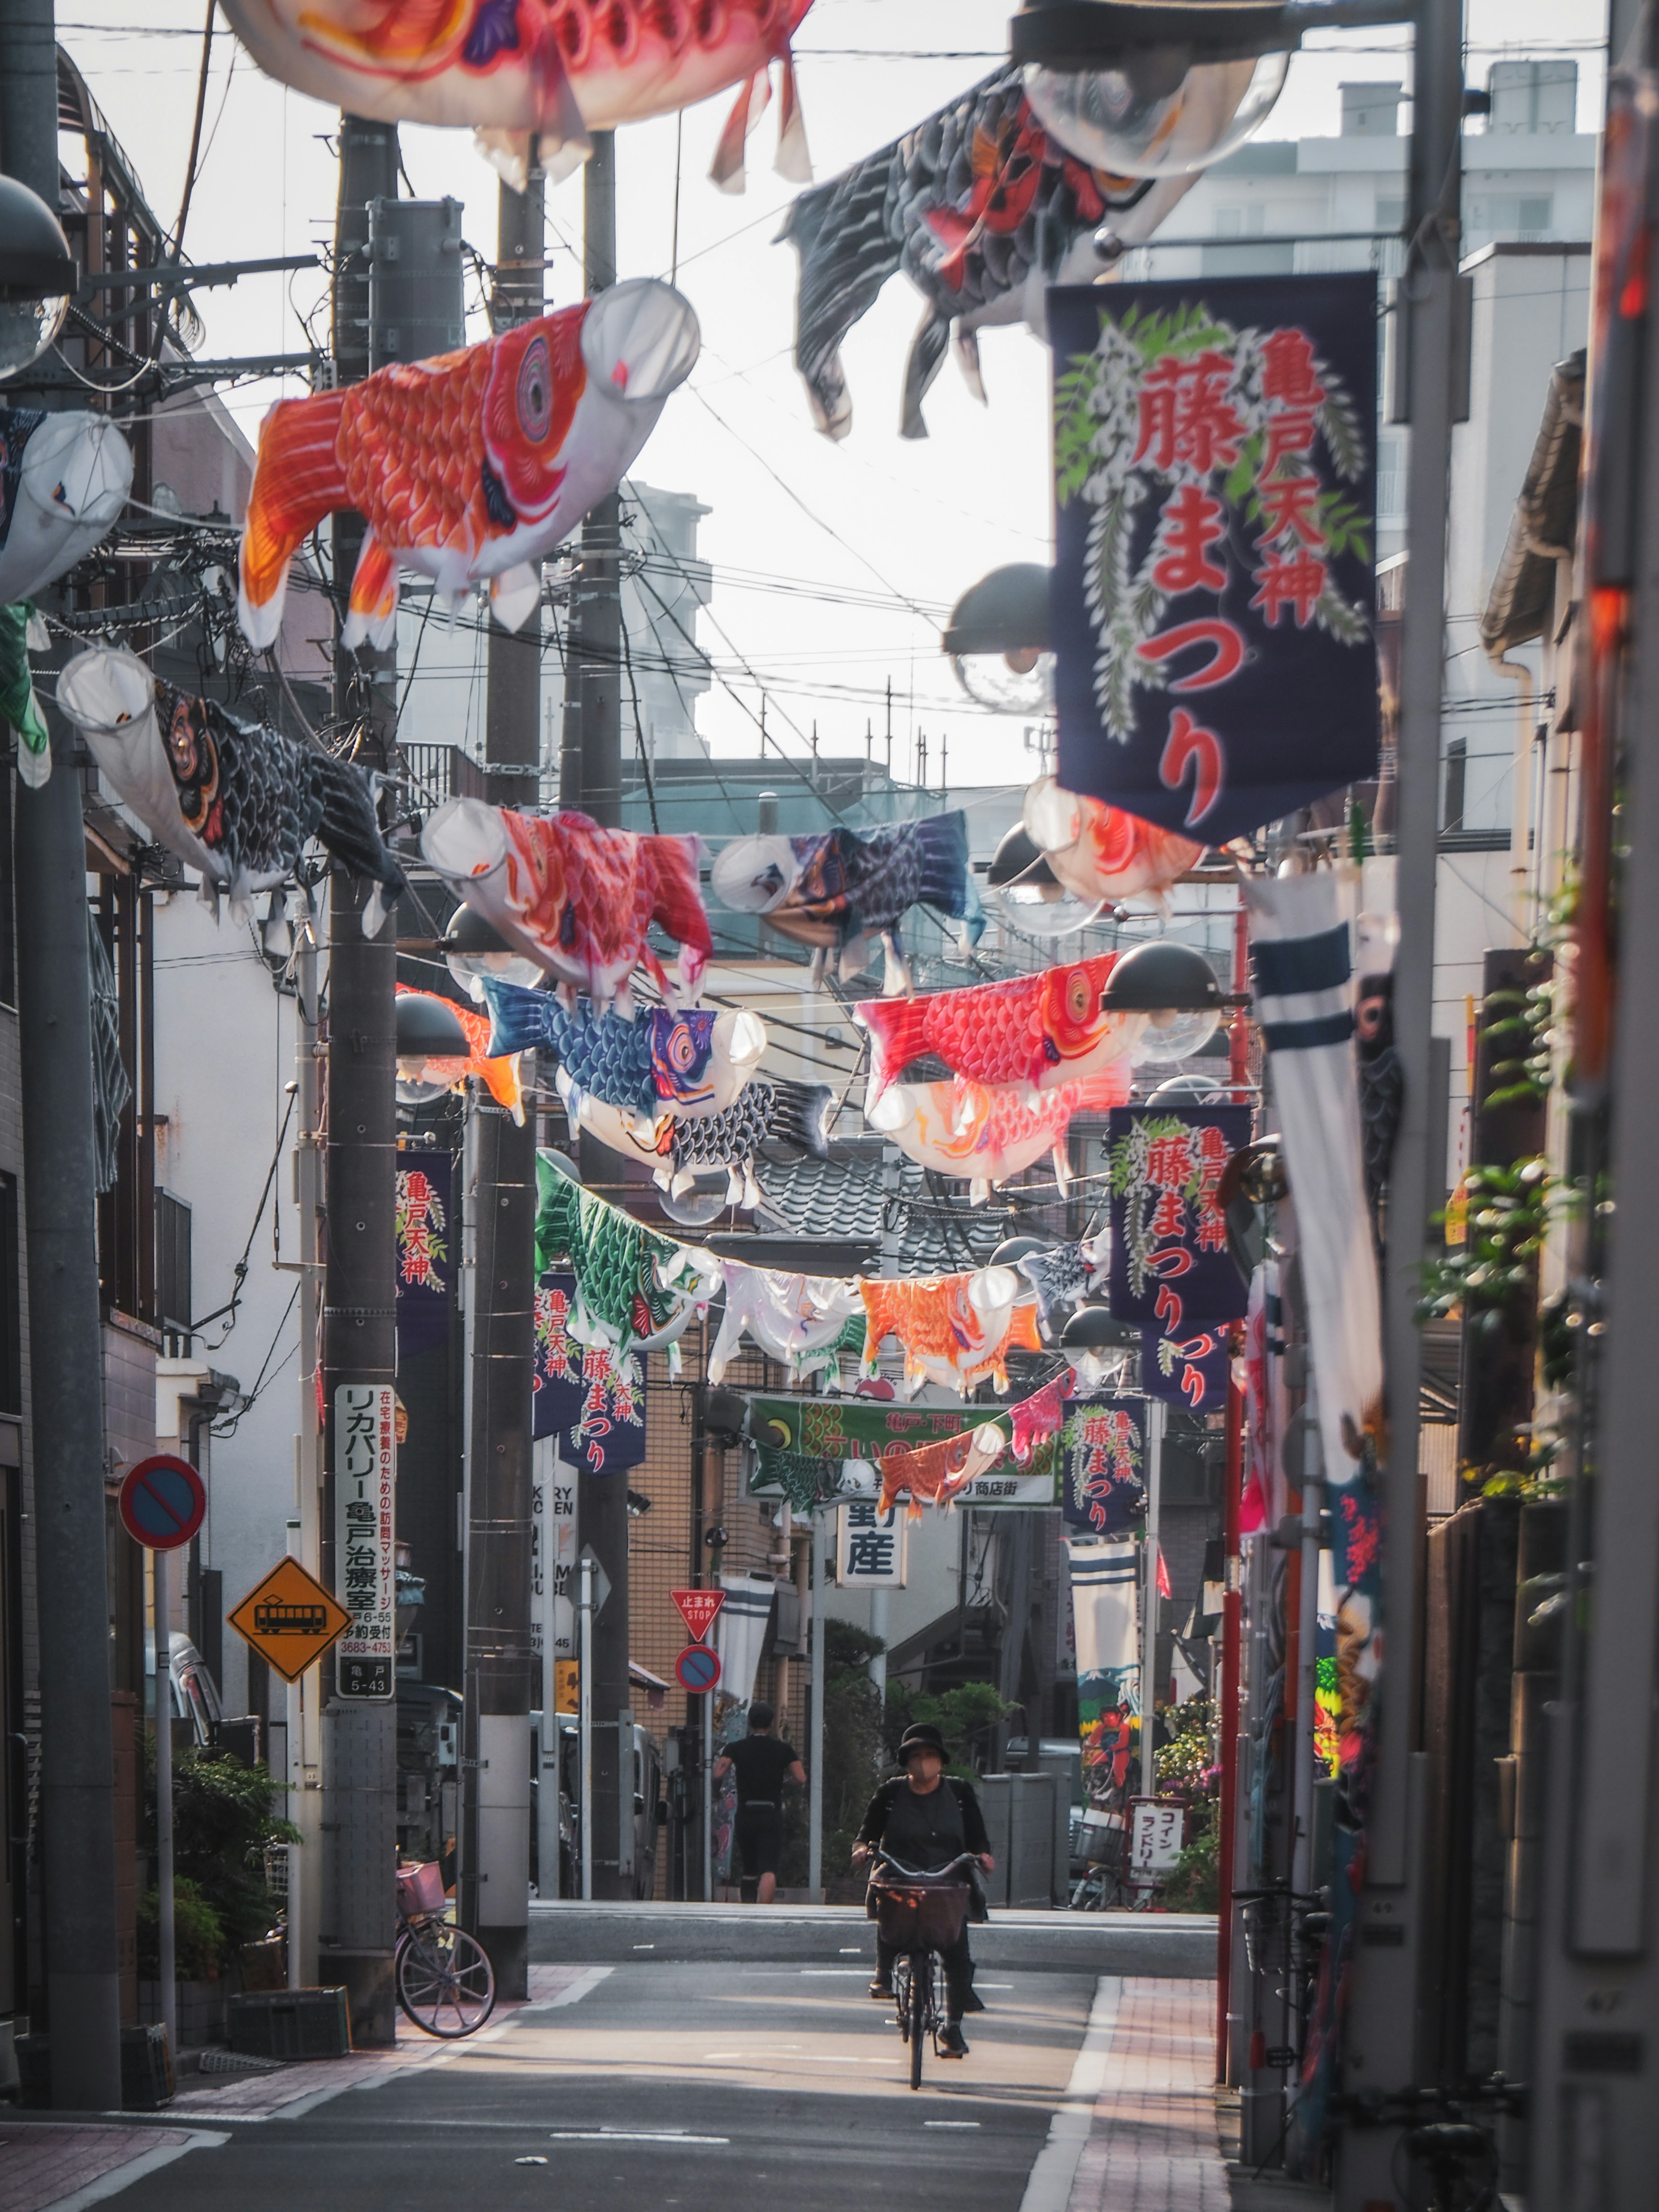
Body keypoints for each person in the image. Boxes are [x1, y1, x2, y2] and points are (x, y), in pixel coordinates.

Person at [852, 1723, 995, 2059]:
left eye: (929, 1755)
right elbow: (867, 1834)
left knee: (957, 1954)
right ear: (906, 1761)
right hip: (900, 1873)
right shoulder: (889, 1794)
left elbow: (978, 1837)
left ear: (941, 1761)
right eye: (916, 1756)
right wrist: (861, 1850)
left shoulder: (959, 1793)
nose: (923, 1762)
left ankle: (954, 2027)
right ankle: (883, 1974)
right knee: (888, 1902)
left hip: (948, 1880)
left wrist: (984, 1856)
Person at [713, 1702, 805, 1904]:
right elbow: (801, 1778)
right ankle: (763, 1911)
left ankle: (748, 1908)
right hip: (771, 1813)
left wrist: (718, 1790)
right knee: (768, 1868)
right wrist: (783, 1785)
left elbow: (719, 1772)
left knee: (749, 1868)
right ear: (771, 1724)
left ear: (749, 1723)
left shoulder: (736, 1748)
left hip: (746, 1813)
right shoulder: (783, 1749)